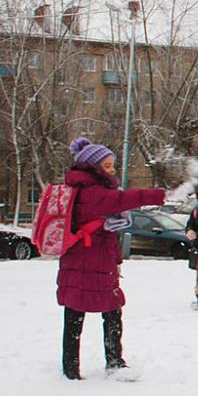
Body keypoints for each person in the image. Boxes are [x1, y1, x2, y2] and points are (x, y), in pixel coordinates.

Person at [57, 137, 166, 380]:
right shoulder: (91, 192)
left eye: (112, 165)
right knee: (107, 311)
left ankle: (74, 366)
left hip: (84, 261)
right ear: (92, 167)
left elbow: (105, 226)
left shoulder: (81, 189)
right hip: (89, 262)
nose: (112, 170)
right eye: (106, 166)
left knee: (80, 313)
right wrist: (157, 195)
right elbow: (122, 200)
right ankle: (110, 362)